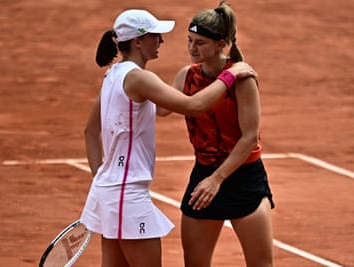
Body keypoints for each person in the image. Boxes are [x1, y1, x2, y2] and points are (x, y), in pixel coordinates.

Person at [80, 9, 257, 267]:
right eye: (155, 36)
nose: (161, 41)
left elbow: (90, 131)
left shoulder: (113, 75)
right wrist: (231, 74)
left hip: (109, 192)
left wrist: (103, 179)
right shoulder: (139, 78)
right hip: (128, 196)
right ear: (138, 42)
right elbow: (194, 106)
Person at [170, 2, 275, 267]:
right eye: (189, 40)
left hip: (243, 178)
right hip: (204, 174)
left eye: (200, 42)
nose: (192, 48)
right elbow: (159, 108)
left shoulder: (243, 79)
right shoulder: (186, 76)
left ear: (221, 44)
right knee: (195, 262)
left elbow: (250, 137)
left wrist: (217, 179)